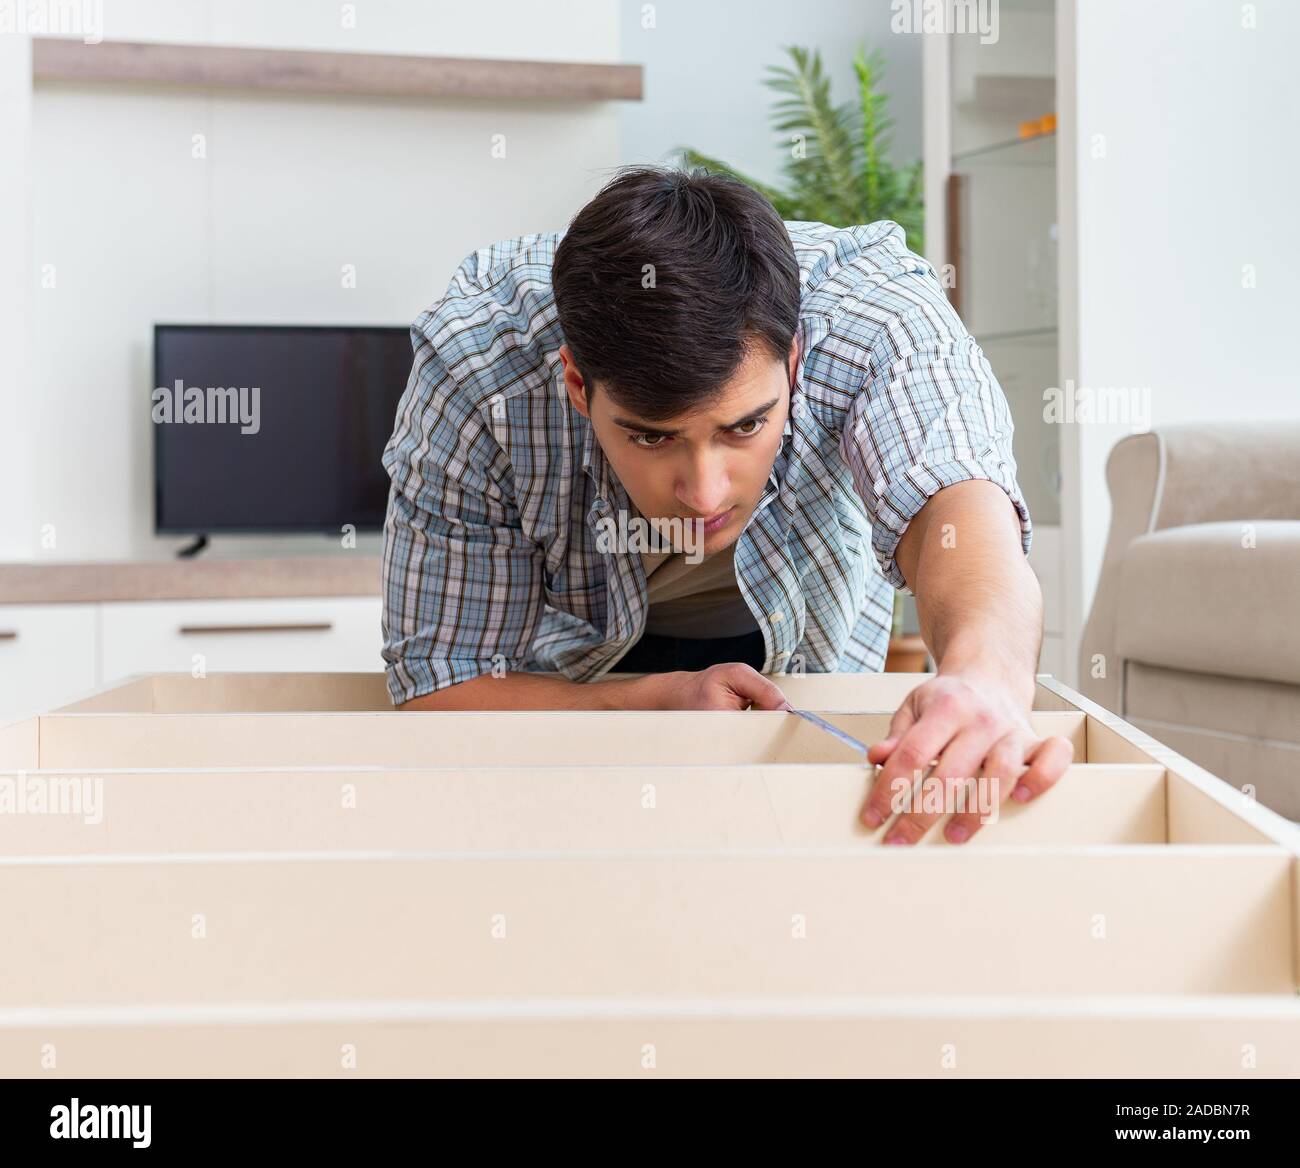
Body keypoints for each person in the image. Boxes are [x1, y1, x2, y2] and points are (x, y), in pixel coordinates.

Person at [380, 166, 1072, 844]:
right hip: (576, 682)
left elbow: (960, 510)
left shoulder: (877, 315)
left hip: (813, 657)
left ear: (796, 361)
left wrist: (987, 677)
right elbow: (448, 680)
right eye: (652, 436)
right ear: (576, 384)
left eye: (744, 426)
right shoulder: (478, 363)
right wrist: (651, 700)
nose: (705, 493)